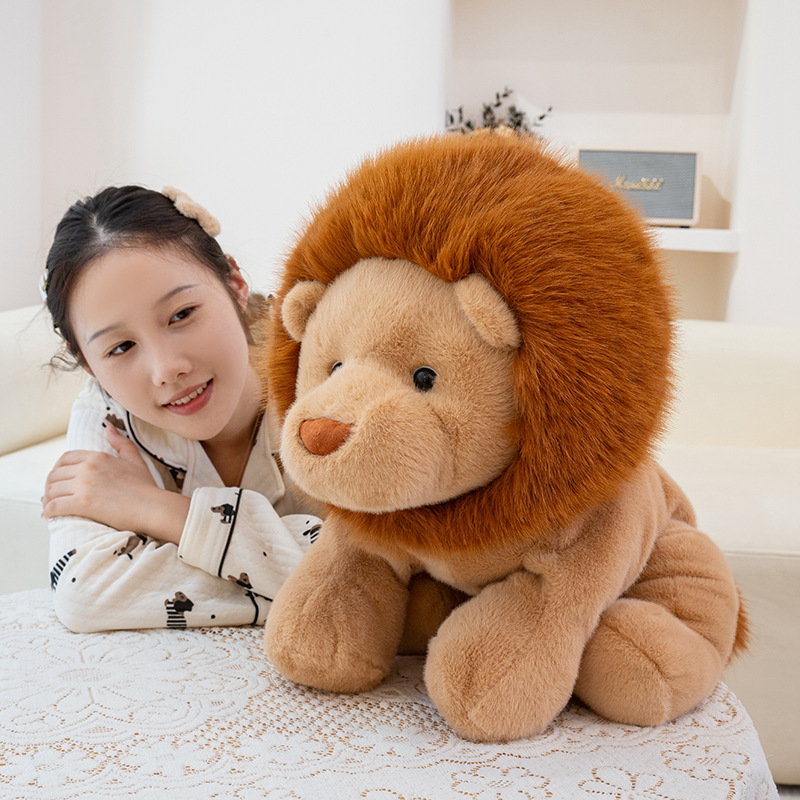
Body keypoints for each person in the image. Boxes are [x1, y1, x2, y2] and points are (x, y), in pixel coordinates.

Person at [41, 185, 322, 632]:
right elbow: (85, 593)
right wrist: (294, 577)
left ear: (234, 285)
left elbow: (392, 576)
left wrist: (159, 510)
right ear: (87, 364)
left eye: (181, 314)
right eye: (121, 347)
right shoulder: (105, 414)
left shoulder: (325, 375)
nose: (166, 370)